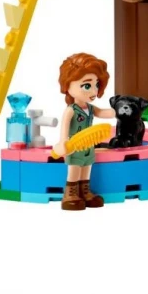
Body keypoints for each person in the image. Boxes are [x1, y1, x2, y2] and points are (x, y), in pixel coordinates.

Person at [52, 53, 115, 211]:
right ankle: (70, 195)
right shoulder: (71, 110)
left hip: (88, 146)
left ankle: (85, 192)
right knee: (74, 170)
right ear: (68, 85)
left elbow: (103, 113)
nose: (94, 91)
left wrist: (119, 111)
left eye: (96, 85)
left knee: (86, 168)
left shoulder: (91, 108)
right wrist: (63, 142)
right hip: (74, 147)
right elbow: (64, 128)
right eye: (87, 86)